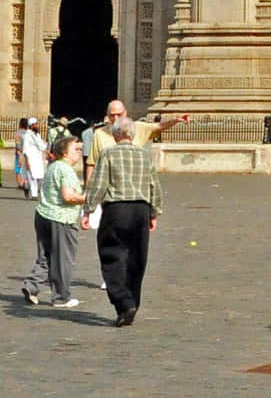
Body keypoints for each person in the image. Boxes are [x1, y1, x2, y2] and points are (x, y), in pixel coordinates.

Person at [87, 119, 163, 327]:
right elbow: (154, 184)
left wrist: (88, 208)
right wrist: (154, 212)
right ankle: (132, 304)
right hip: (140, 209)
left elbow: (99, 183)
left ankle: (123, 302)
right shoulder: (143, 155)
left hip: (117, 209)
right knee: (136, 258)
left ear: (115, 135)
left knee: (112, 255)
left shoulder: (109, 154)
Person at [21, 134, 85, 309]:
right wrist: (88, 198)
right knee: (63, 259)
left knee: (45, 256)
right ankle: (61, 297)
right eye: (76, 149)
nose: (80, 152)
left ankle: (32, 286)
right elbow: (68, 196)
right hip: (61, 219)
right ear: (64, 153)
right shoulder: (66, 169)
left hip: (43, 215)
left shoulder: (53, 166)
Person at [84, 100, 191, 190]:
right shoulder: (99, 134)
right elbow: (91, 163)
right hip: (109, 187)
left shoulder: (137, 127)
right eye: (112, 115)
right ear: (107, 115)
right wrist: (88, 189)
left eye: (119, 114)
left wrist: (176, 120)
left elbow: (159, 126)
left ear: (125, 113)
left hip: (134, 185)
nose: (116, 118)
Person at [19, 119, 47, 202]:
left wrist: (49, 153)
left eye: (37, 124)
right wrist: (27, 161)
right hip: (30, 159)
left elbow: (42, 146)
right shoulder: (27, 135)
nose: (37, 125)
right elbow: (25, 149)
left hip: (38, 159)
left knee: (40, 177)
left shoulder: (37, 135)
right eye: (35, 124)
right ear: (31, 126)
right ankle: (34, 195)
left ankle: (26, 186)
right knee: (32, 177)